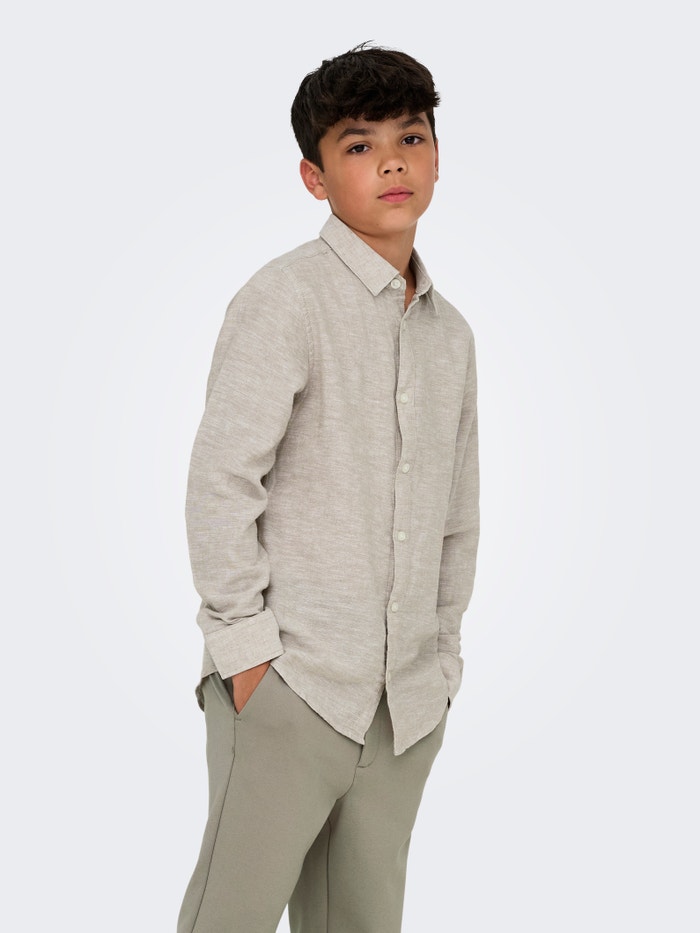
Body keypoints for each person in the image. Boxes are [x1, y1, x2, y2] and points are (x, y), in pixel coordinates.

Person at [176, 42, 480, 933]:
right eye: (358, 144)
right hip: (290, 684)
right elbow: (221, 480)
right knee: (227, 919)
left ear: (436, 156)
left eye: (410, 138)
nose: (391, 161)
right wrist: (247, 656)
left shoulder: (452, 335)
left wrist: (441, 662)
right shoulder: (286, 300)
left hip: (403, 706)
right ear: (314, 176)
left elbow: (457, 515)